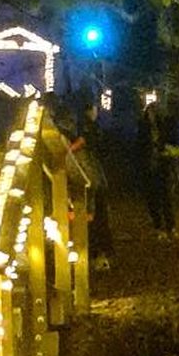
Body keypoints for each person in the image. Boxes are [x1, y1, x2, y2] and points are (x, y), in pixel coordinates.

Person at [70, 102, 115, 268]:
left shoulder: (87, 148)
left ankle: (98, 255)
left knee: (97, 223)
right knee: (96, 224)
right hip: (91, 191)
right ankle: (96, 255)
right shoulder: (85, 142)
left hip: (93, 191)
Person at [138, 99, 179, 237]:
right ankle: (158, 225)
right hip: (150, 165)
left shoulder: (165, 125)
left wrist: (164, 150)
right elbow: (141, 145)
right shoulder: (145, 127)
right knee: (153, 197)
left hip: (162, 165)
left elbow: (171, 142)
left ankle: (169, 226)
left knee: (165, 197)